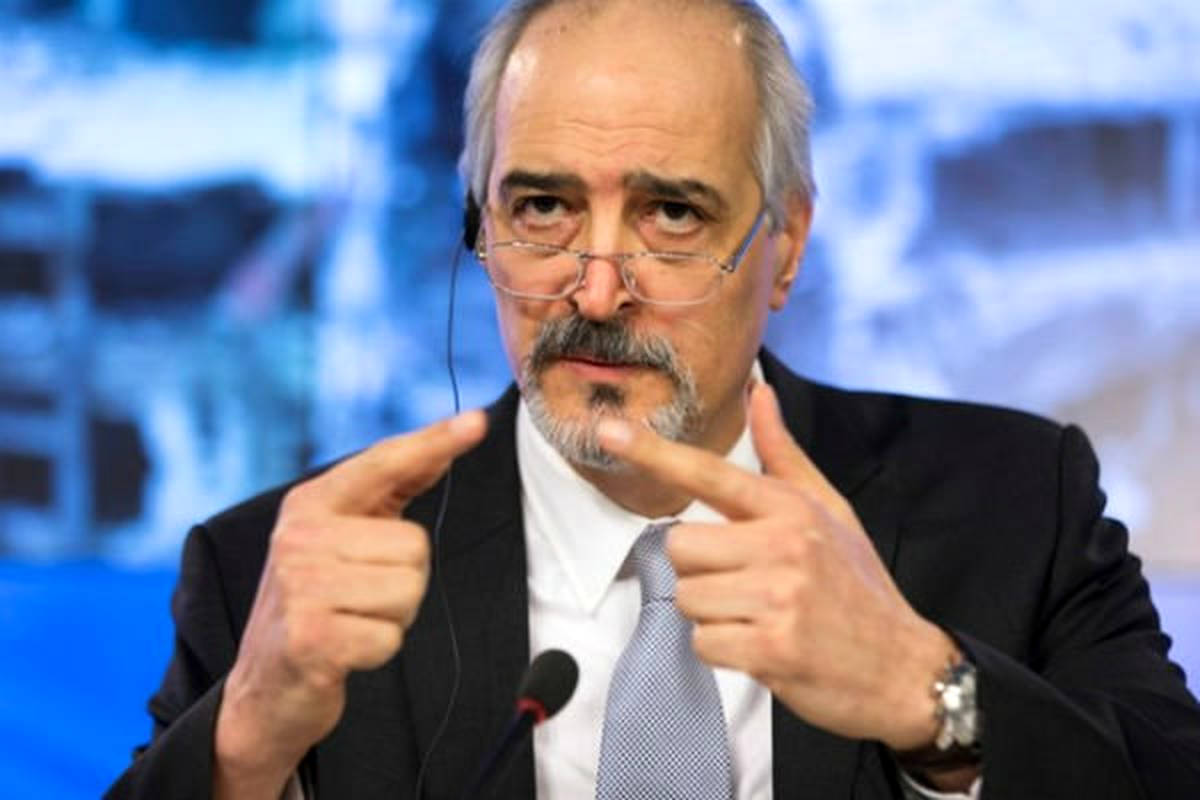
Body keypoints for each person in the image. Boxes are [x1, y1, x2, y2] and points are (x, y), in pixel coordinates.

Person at [107, 1, 1200, 798]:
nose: (595, 290)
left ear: (785, 245)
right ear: (478, 225)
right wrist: (246, 741)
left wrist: (933, 697)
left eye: (673, 215)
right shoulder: (278, 570)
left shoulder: (1019, 502)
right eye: (542, 208)